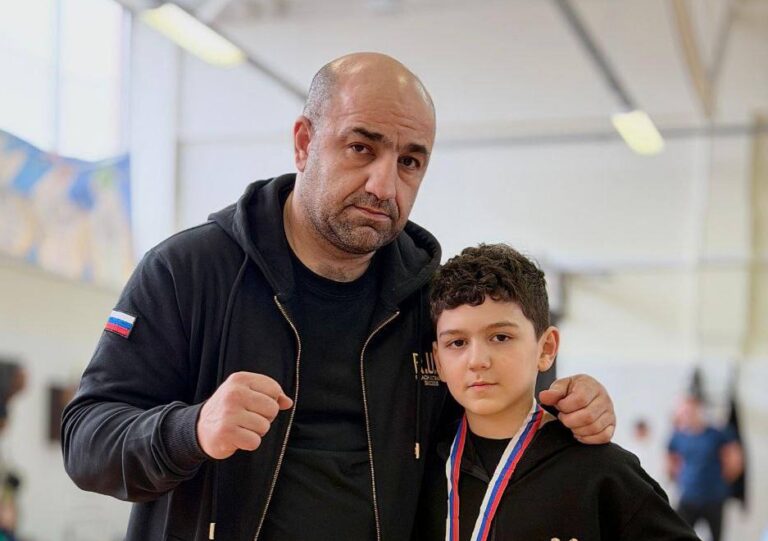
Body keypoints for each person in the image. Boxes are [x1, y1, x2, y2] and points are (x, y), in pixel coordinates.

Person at [62, 53, 616, 541]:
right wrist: (192, 429)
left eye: (409, 162)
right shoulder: (188, 272)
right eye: (360, 148)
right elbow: (86, 440)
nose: (384, 185)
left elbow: (500, 424)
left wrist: (572, 405)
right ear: (304, 143)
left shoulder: (433, 300)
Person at [415, 243, 700, 541]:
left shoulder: (601, 470)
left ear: (546, 349)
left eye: (500, 337)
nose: (477, 360)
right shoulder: (419, 471)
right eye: (457, 343)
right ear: (438, 361)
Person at [667, 394, 744, 541]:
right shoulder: (678, 437)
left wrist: (722, 481)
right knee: (677, 534)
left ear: (698, 410)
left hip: (713, 498)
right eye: (683, 411)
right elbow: (670, 460)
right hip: (688, 497)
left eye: (689, 411)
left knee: (716, 537)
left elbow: (735, 461)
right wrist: (680, 478)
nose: (686, 415)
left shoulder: (717, 434)